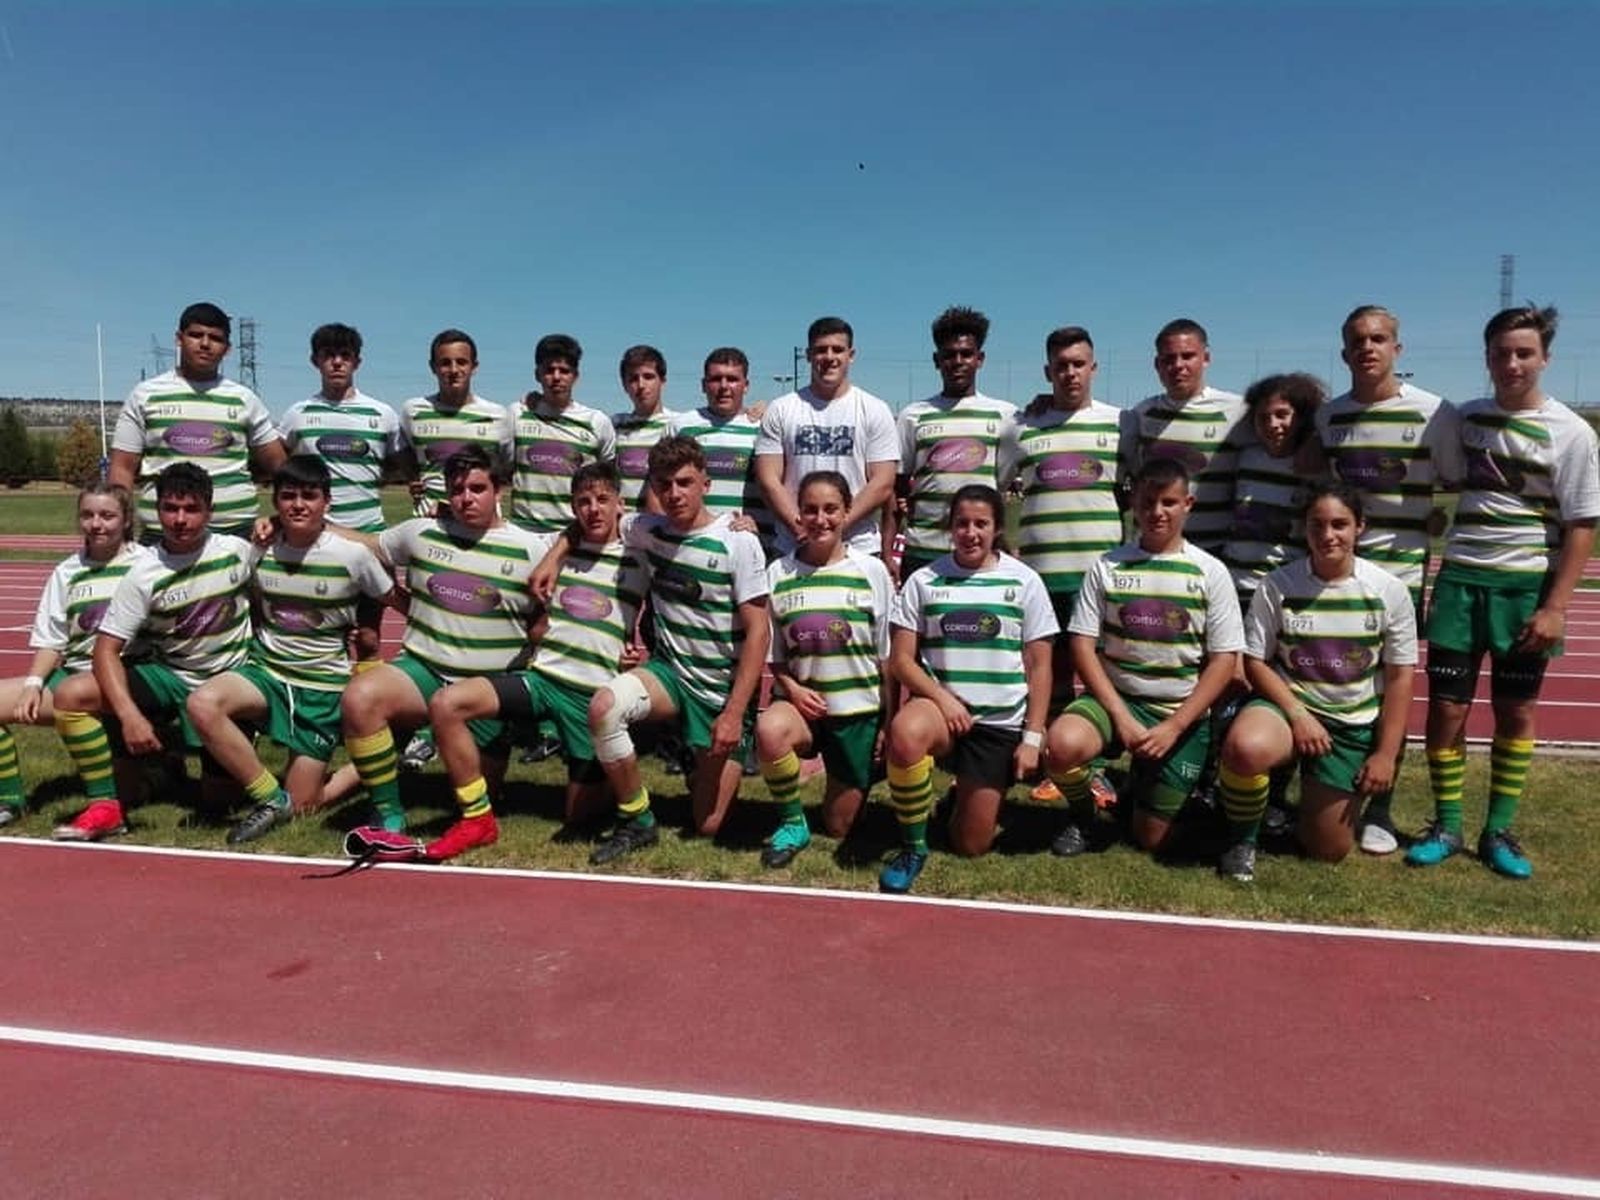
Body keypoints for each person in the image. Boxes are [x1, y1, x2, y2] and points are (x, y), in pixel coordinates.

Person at [1409, 306, 1600, 879]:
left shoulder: (1570, 431)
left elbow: (1582, 526)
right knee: (1446, 708)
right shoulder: (1461, 420)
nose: (1511, 363)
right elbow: (1439, 479)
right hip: (1461, 580)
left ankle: (1499, 831)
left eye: (1524, 353)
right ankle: (1446, 824)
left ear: (1545, 358)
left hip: (1523, 589)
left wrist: (1556, 606)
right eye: (1501, 353)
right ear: (1487, 357)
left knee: (1515, 710)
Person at [427, 462, 645, 857]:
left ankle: (613, 765)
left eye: (602, 500)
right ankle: (477, 817)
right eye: (583, 502)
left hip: (591, 696)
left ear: (620, 504)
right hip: (541, 679)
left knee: (578, 819)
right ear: (572, 508)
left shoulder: (641, 555)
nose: (593, 509)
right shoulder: (552, 548)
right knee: (447, 703)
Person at [338, 447, 548, 850]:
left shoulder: (531, 549)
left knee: (473, 796)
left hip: (487, 690)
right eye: (457, 490)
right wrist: (300, 525)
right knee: (360, 697)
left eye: (477, 488)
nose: (466, 498)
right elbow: (366, 543)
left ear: (498, 489)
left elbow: (545, 621)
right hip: (424, 671)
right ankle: (388, 813)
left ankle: (486, 760)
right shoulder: (421, 531)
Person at [573, 435, 769, 864]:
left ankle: (696, 754)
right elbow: (590, 523)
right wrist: (553, 560)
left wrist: (735, 712)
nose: (674, 494)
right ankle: (637, 818)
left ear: (706, 483)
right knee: (604, 706)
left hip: (718, 691)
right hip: (670, 673)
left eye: (684, 482)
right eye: (664, 485)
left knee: (708, 825)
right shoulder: (645, 528)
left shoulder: (738, 541)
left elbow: (759, 633)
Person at [185, 459, 395, 844]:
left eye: (309, 496)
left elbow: (392, 596)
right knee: (202, 703)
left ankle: (377, 759)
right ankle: (270, 797)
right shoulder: (259, 549)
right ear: (276, 502)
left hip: (321, 687)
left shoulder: (352, 556)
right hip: (267, 674)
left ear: (326, 503)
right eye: (288, 497)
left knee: (305, 806)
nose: (298, 505)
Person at [1043, 459, 1243, 861]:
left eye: (1169, 502)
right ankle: (1084, 817)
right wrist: (1121, 718)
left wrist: (1175, 725)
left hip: (1178, 712)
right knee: (1061, 745)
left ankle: (1153, 785)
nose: (1157, 512)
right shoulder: (1108, 565)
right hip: (1116, 701)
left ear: (1188, 503)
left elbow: (1224, 661)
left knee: (1150, 838)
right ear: (1134, 501)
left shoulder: (1210, 572)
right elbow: (1082, 644)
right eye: (1148, 501)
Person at [1316, 305, 1462, 854]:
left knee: (1388, 689)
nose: (1368, 348)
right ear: (1344, 352)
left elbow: (1452, 480)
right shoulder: (1329, 418)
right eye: (1357, 340)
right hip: (1336, 574)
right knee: (1334, 681)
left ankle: (1381, 806)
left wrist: (1433, 518)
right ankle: (1325, 786)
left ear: (1397, 349)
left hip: (1398, 578)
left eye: (1379, 339)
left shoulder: (1434, 413)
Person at [1216, 485, 1416, 880]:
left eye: (1340, 525)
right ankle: (1242, 840)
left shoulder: (1389, 591)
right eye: (1317, 525)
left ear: (1360, 526)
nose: (1328, 536)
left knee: (1327, 851)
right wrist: (1296, 714)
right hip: (1288, 709)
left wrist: (1385, 754)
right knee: (1245, 746)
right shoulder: (1278, 585)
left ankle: (1292, 806)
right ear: (1303, 529)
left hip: (1347, 724)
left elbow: (1399, 676)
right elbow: (1255, 661)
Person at [53, 463, 257, 839]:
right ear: (157, 510)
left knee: (218, 803)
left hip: (227, 686)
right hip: (170, 677)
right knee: (71, 693)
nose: (179, 519)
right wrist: (129, 715)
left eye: (191, 509)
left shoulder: (239, 553)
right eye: (170, 508)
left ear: (209, 511)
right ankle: (107, 807)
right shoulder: (143, 571)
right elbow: (104, 651)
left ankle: (171, 761)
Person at [880, 485, 1057, 894]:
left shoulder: (1024, 581)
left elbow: (1040, 665)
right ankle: (913, 847)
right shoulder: (924, 580)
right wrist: (942, 698)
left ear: (996, 528)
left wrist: (1032, 737)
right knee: (906, 733)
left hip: (998, 724)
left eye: (981, 523)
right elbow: (901, 660)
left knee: (970, 846)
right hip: (943, 714)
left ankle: (964, 797)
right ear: (949, 528)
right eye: (962, 523)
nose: (971, 532)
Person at [755, 471, 895, 866]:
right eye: (811, 510)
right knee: (770, 730)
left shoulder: (871, 572)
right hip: (802, 707)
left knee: (838, 826)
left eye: (831, 509)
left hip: (857, 712)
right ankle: (792, 822)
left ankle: (865, 773)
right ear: (798, 515)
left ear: (847, 512)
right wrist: (794, 691)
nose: (821, 519)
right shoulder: (779, 573)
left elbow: (887, 656)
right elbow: (775, 657)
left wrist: (888, 722)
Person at [0, 482, 149, 828]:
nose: (96, 524)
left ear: (126, 520)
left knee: (136, 790)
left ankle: (139, 782)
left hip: (134, 680)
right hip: (76, 678)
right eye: (88, 515)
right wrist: (34, 684)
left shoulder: (146, 563)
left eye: (107, 515)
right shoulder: (67, 571)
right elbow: (52, 640)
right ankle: (9, 801)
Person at [1007, 325, 1128, 733]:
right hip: (1042, 575)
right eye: (1061, 366)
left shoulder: (1121, 424)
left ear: (1094, 367)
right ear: (1047, 372)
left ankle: (1091, 759)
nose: (1070, 373)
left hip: (1100, 574)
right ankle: (1053, 760)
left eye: (1079, 364)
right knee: (1051, 668)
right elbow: (992, 488)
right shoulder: (1022, 427)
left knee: (1099, 668)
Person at [109, 301, 286, 539]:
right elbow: (122, 468)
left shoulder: (244, 400)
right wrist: (120, 528)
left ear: (227, 348)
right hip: (161, 536)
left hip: (234, 535)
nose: (204, 344)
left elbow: (281, 467)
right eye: (195, 335)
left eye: (215, 338)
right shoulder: (145, 395)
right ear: (179, 339)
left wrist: (281, 517)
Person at [755, 316, 899, 560]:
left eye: (838, 349)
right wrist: (801, 528)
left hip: (858, 549)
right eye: (821, 350)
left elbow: (882, 483)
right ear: (809, 355)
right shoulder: (781, 409)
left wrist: (836, 526)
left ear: (850, 355)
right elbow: (768, 479)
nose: (829, 357)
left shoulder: (875, 409)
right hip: (794, 546)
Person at [896, 306, 1018, 580]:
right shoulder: (913, 415)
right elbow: (899, 490)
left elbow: (1001, 482)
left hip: (980, 551)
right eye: (949, 355)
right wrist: (888, 553)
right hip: (924, 549)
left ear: (980, 359)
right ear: (937, 360)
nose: (958, 361)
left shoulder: (1006, 415)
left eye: (966, 354)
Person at [1125, 318, 1247, 556]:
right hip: (1155, 552)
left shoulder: (1237, 411)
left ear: (1206, 358)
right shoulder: (1141, 415)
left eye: (1187, 356)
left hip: (1216, 551)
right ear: (1157, 364)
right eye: (1168, 359)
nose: (1178, 365)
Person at [278, 323, 405, 535]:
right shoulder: (297, 414)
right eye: (328, 355)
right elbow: (281, 466)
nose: (337, 362)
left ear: (357, 363)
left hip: (370, 533)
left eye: (345, 355)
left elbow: (399, 465)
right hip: (316, 535)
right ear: (315, 361)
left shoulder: (383, 414)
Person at [1223, 373, 1326, 603]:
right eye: (1263, 417)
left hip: (1285, 591)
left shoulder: (1316, 469)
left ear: (1301, 417)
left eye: (1282, 415)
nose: (1273, 425)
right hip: (1236, 587)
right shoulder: (1245, 458)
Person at [399, 329, 514, 518]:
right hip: (429, 523)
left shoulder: (499, 415)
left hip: (481, 527)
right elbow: (403, 454)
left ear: (474, 366)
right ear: (432, 367)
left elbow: (506, 466)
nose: (453, 370)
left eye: (461, 362)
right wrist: (412, 478)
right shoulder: (412, 411)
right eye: (445, 363)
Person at [671, 347, 776, 553]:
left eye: (732, 379)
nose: (724, 386)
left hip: (753, 546)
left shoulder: (764, 427)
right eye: (716, 379)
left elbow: (781, 485)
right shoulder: (681, 426)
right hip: (693, 547)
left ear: (746, 385)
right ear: (703, 385)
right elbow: (662, 486)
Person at [510, 334, 616, 534]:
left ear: (576, 376)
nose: (556, 377)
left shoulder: (597, 422)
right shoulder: (517, 414)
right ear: (537, 374)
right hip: (525, 532)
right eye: (549, 370)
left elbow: (607, 480)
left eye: (564, 371)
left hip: (575, 534)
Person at [612, 345, 680, 512]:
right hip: (624, 528)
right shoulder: (614, 425)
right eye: (633, 378)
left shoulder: (678, 424)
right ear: (624, 385)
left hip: (664, 527)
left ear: (662, 381)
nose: (641, 385)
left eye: (648, 377)